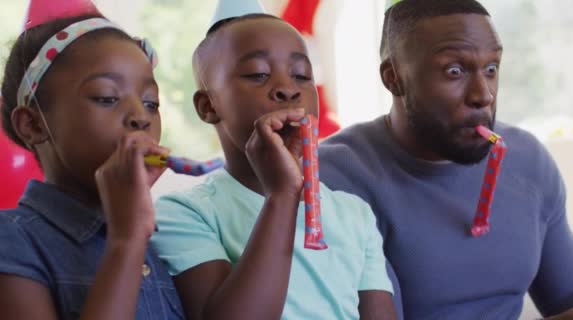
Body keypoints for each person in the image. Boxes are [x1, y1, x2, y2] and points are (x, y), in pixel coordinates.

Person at [318, 0, 573, 319]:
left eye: (491, 69)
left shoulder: (528, 161)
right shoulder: (337, 179)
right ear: (394, 77)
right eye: (454, 71)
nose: (483, 95)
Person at [149, 10, 396, 320]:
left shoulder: (353, 213)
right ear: (208, 106)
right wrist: (282, 196)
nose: (288, 89)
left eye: (302, 75)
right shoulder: (185, 213)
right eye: (258, 74)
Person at [0, 1, 184, 319]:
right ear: (33, 124)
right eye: (106, 97)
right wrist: (126, 240)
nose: (141, 116)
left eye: (151, 103)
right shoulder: (13, 239)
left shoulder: (159, 241)